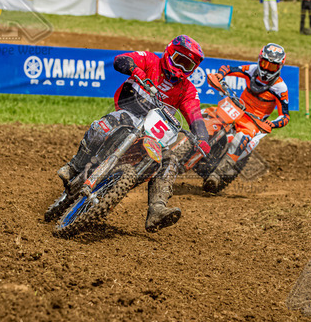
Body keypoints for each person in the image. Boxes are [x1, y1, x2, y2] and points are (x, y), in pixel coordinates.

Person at [57, 36, 211, 233]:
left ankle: (157, 209)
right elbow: (120, 60)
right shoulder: (150, 60)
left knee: (169, 160)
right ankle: (74, 167)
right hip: (129, 114)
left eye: (187, 65)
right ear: (170, 53)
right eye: (179, 60)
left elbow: (195, 115)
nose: (181, 68)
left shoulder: (187, 90)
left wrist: (202, 138)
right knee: (102, 127)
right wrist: (134, 69)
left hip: (154, 134)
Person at [208, 43, 289, 190]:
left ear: (279, 67)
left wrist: (272, 124)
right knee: (210, 113)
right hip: (237, 109)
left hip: (253, 122)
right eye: (264, 64)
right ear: (259, 60)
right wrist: (220, 75)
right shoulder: (252, 70)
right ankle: (193, 143)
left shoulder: (280, 88)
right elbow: (228, 68)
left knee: (241, 139)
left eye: (272, 66)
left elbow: (285, 116)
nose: (266, 69)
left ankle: (217, 174)